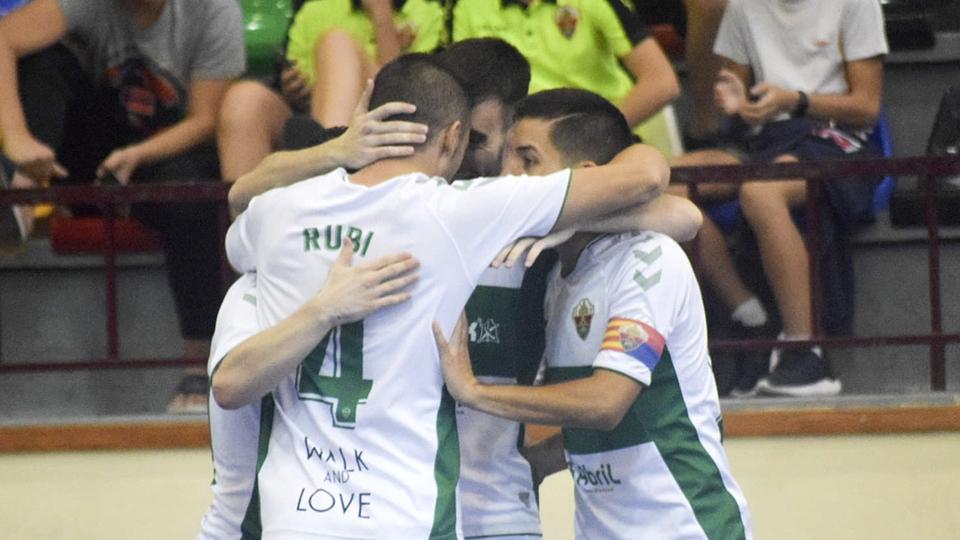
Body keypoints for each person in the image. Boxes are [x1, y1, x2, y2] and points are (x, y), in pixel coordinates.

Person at [215, 53, 670, 538]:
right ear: (452, 136)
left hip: (295, 518)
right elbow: (647, 179)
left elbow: (241, 198)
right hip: (404, 515)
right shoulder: (458, 212)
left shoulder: (279, 212)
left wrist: (335, 151)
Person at [433, 87, 752, 539]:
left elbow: (605, 403)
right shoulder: (558, 273)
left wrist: (474, 391)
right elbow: (611, 428)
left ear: (585, 177)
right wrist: (532, 464)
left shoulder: (647, 259)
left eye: (527, 159)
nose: (509, 175)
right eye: (506, 157)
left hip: (686, 528)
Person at [0, 0, 245, 411]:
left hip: (168, 156)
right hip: (83, 155)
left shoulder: (213, 10)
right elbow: (4, 35)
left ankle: (196, 364)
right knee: (45, 58)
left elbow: (205, 119)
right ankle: (22, 197)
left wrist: (137, 156)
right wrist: (17, 136)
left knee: (192, 193)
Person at [670, 0, 888, 397]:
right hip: (764, 140)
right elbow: (735, 89)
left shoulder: (856, 4)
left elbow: (867, 106)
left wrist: (794, 100)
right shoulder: (742, 7)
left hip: (837, 137)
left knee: (761, 192)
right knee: (665, 187)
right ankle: (749, 314)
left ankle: (805, 353)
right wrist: (735, 100)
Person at [216, 0, 443, 183]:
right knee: (244, 99)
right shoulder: (315, 8)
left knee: (336, 42)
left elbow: (409, 93)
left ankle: (326, 188)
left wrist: (381, 15)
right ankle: (243, 226)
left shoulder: (429, 10)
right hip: (316, 117)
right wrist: (293, 86)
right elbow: (295, 71)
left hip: (395, 129)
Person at [451, 0, 681, 153]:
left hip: (601, 143)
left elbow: (661, 82)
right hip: (513, 148)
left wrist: (589, 135)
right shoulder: (468, 5)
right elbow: (465, 88)